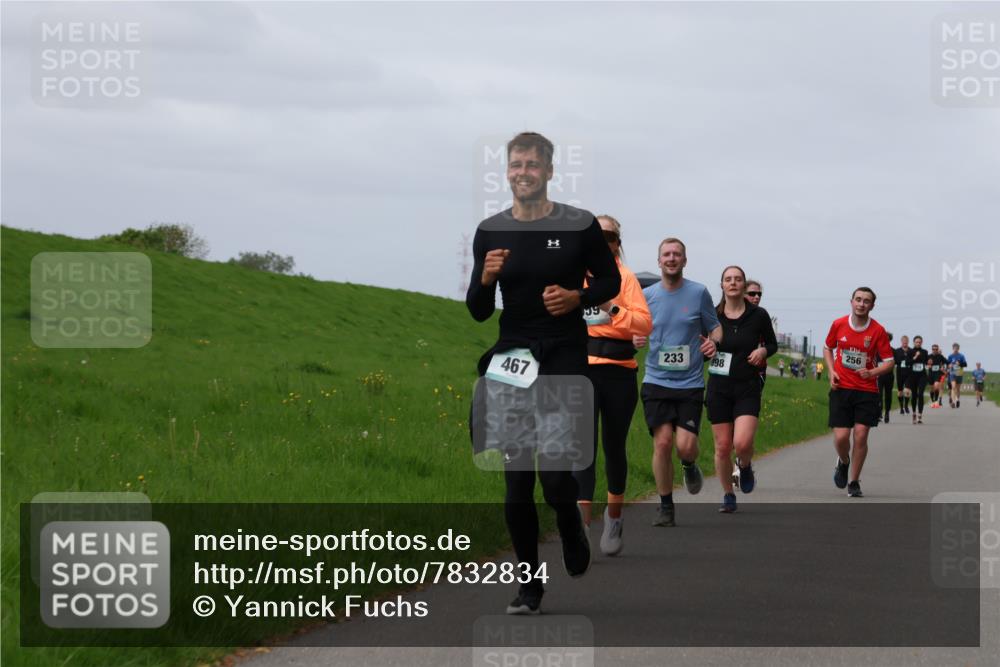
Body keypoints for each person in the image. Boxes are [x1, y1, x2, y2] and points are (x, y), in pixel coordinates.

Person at [466, 131, 621, 615]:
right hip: (513, 356)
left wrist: (578, 298)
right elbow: (476, 309)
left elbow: (611, 280)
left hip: (563, 355)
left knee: (555, 478)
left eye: (533, 164)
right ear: (506, 170)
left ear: (550, 171)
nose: (523, 172)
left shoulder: (577, 226)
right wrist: (486, 279)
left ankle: (571, 525)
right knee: (516, 480)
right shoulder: (490, 230)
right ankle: (529, 586)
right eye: (516, 164)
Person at [576, 214, 652, 556]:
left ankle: (615, 517)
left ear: (617, 242)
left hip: (619, 371)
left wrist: (609, 306)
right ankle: (580, 530)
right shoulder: (571, 274)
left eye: (608, 234)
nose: (601, 238)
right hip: (581, 370)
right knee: (583, 449)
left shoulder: (626, 278)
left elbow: (642, 324)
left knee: (613, 446)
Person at [636, 238, 721, 527]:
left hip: (690, 384)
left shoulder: (698, 293)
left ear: (685, 261)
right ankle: (665, 506)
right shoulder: (647, 295)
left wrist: (713, 343)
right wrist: (634, 337)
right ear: (659, 261)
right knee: (661, 443)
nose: (672, 258)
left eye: (677, 254)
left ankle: (688, 463)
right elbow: (635, 328)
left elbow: (716, 328)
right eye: (666, 254)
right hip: (656, 381)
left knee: (685, 446)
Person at [706, 266, 777, 513]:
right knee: (723, 446)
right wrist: (705, 349)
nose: (733, 283)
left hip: (747, 386)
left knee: (742, 442)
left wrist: (762, 351)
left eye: (738, 279)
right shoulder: (712, 316)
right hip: (719, 387)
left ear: (744, 285)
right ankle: (728, 494)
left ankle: (745, 466)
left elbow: (772, 343)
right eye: (728, 279)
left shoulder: (758, 315)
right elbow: (702, 347)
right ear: (722, 285)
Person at [823, 287, 894, 498]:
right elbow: (828, 347)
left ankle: (854, 481)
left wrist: (872, 371)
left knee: (861, 436)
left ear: (872, 306)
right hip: (841, 388)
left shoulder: (878, 331)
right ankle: (844, 461)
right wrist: (831, 372)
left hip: (866, 390)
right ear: (851, 301)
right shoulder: (839, 324)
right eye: (858, 300)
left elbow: (889, 362)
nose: (862, 304)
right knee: (841, 437)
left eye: (866, 301)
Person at [906, 336, 930, 424]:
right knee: (914, 395)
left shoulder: (925, 352)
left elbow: (927, 362)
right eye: (916, 342)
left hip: (922, 376)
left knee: (920, 394)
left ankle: (920, 415)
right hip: (912, 376)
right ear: (914, 342)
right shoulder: (910, 351)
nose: (918, 343)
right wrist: (915, 357)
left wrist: (929, 362)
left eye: (920, 342)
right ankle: (914, 413)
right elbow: (907, 363)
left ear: (922, 342)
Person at [877, 332, 895, 423]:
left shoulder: (893, 350)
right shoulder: (876, 350)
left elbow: (897, 362)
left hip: (889, 376)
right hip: (879, 376)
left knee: (888, 395)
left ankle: (887, 412)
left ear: (889, 340)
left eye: (887, 338)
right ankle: (879, 413)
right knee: (879, 395)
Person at [892, 335, 912, 415]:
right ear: (901, 342)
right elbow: (895, 361)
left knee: (907, 390)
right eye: (904, 342)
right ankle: (901, 407)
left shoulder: (911, 351)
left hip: (909, 372)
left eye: (906, 342)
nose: (905, 343)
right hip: (900, 372)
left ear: (908, 342)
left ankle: (906, 405)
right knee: (900, 391)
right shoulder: (897, 351)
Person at [947, 343, 968, 408]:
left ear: (958, 349)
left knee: (958, 389)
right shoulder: (950, 356)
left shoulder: (961, 356)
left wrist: (959, 364)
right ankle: (953, 402)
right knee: (953, 387)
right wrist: (949, 365)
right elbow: (947, 364)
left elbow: (965, 364)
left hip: (959, 374)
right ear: (952, 348)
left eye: (957, 348)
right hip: (952, 373)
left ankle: (957, 400)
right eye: (954, 348)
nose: (955, 349)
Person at [927, 344, 948, 408]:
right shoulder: (928, 356)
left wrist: (946, 368)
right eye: (933, 349)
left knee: (936, 386)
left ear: (937, 350)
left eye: (936, 349)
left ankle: (936, 401)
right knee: (932, 389)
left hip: (937, 374)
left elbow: (947, 362)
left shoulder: (940, 356)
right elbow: (925, 363)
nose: (935, 350)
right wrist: (928, 365)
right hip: (931, 374)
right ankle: (932, 401)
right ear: (932, 349)